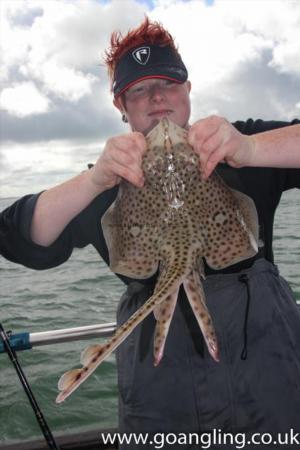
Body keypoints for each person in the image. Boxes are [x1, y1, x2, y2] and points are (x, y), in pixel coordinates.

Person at [1, 18, 300, 449]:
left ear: (188, 90)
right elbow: (15, 237)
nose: (157, 97)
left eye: (167, 82)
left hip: (269, 387)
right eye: (139, 89)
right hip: (163, 398)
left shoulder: (237, 145)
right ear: (121, 105)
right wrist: (94, 181)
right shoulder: (110, 181)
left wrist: (252, 149)